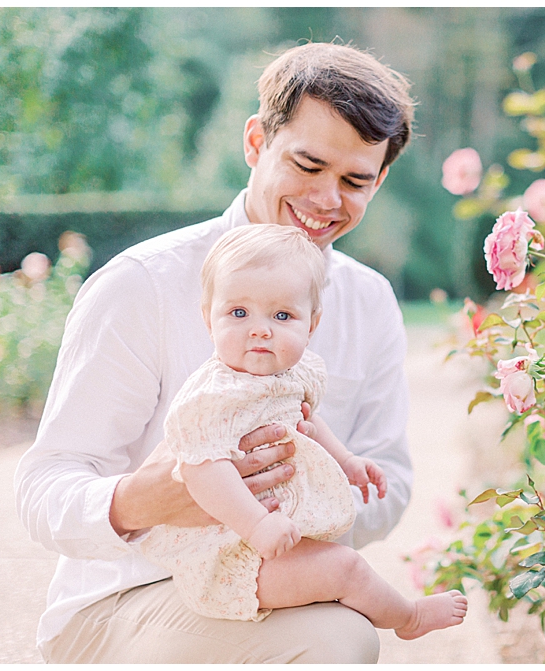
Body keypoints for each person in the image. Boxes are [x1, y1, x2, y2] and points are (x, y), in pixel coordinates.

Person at [15, 42, 424, 663]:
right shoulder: (141, 284)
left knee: (334, 629)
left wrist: (299, 495)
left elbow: (387, 483)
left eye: (353, 181)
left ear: (380, 180)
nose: (325, 199)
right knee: (340, 639)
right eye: (307, 165)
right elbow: (43, 488)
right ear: (256, 142)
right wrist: (150, 499)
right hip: (122, 598)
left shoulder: (370, 302)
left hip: (280, 586)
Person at [137, 223, 466, 636]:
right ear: (208, 319)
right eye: (239, 313)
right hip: (229, 556)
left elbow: (306, 421)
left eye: (282, 315)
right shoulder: (211, 398)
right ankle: (408, 618)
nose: (260, 329)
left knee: (334, 561)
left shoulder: (294, 372)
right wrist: (256, 524)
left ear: (311, 325)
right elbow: (202, 471)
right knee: (346, 568)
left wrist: (347, 461)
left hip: (275, 537)